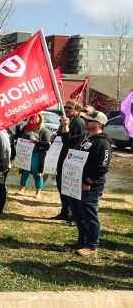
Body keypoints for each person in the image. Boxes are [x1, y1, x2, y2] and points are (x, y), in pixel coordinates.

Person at [59, 110, 112, 257]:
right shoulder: (85, 137)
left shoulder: (103, 142)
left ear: (98, 124)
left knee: (89, 216)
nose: (85, 122)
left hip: (89, 186)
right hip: (75, 183)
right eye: (85, 120)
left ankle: (92, 245)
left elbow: (102, 166)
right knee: (77, 214)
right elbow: (67, 141)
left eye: (88, 120)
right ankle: (82, 241)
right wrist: (65, 126)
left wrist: (88, 181)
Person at [52, 100, 86, 225]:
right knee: (61, 185)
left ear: (77, 110)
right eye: (65, 107)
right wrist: (55, 137)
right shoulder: (65, 121)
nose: (66, 109)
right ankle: (64, 212)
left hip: (72, 159)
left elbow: (75, 141)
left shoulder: (78, 122)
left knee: (69, 187)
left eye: (69, 108)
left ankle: (72, 215)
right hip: (61, 157)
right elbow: (61, 137)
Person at [14, 112, 51, 199]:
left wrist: (36, 142)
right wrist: (17, 126)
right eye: (31, 117)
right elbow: (18, 137)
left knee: (37, 173)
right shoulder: (27, 128)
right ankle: (22, 189)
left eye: (35, 117)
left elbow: (48, 145)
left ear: (40, 119)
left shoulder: (44, 130)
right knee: (25, 172)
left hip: (37, 155)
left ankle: (38, 192)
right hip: (26, 154)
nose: (32, 118)